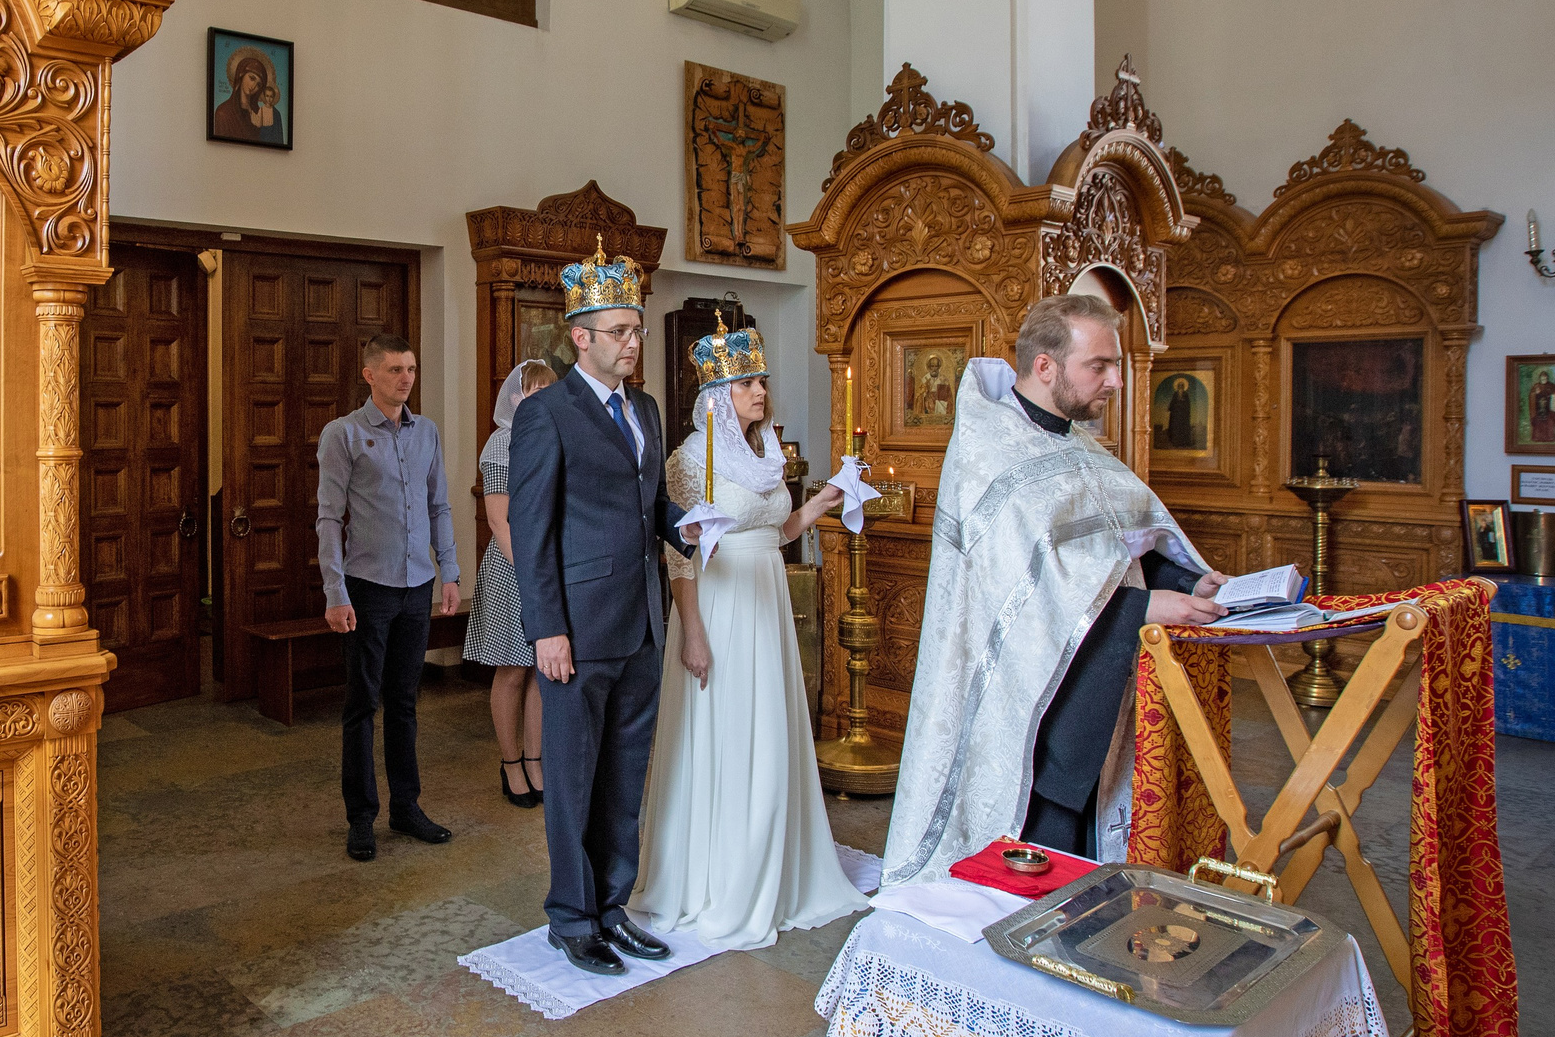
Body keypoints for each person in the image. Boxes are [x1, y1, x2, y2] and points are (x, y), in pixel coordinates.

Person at [880, 294, 1232, 882]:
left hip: (1104, 686)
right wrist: (1147, 606)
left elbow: (1131, 538)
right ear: (1045, 366)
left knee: (1087, 871)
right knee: (1038, 871)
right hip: (1038, 716)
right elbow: (1024, 594)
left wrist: (1191, 578)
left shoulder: (1079, 446)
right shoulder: (990, 454)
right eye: (1100, 365)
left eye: (1115, 364)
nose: (1116, 381)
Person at [631, 327, 863, 950]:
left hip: (767, 602)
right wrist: (695, 633)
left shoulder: (765, 457)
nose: (761, 392)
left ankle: (774, 862)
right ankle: (718, 872)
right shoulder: (689, 459)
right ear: (717, 394)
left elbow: (778, 531)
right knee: (727, 731)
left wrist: (823, 503)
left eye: (761, 382)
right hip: (720, 605)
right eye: (748, 384)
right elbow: (679, 554)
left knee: (768, 729)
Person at [509, 238, 691, 976]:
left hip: (641, 622)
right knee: (575, 775)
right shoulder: (545, 414)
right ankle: (572, 915)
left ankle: (614, 906)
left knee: (624, 773)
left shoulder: (644, 406)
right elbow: (532, 527)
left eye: (638, 328)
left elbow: (649, 505)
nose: (634, 342)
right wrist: (546, 627)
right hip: (577, 629)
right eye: (621, 330)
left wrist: (690, 525)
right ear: (580, 335)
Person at [317, 333, 461, 862]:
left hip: (416, 585)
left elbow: (440, 505)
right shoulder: (344, 435)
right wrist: (335, 592)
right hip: (367, 588)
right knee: (362, 704)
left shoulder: (426, 433)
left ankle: (407, 806)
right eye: (396, 369)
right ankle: (361, 817)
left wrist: (450, 570)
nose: (406, 378)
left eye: (412, 369)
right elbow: (330, 518)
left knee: (405, 702)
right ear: (370, 375)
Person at [466, 358, 557, 808]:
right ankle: (510, 763)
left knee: (544, 671)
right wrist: (532, 573)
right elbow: (499, 522)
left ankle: (536, 758)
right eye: (532, 392)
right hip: (513, 568)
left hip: (549, 563)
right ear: (516, 398)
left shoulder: (554, 436)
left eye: (547, 392)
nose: (540, 400)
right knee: (513, 671)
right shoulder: (502, 443)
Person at [212, 48, 283, 142]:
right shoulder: (223, 112)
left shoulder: (260, 113)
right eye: (252, 78)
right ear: (241, 75)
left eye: (258, 85)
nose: (253, 86)